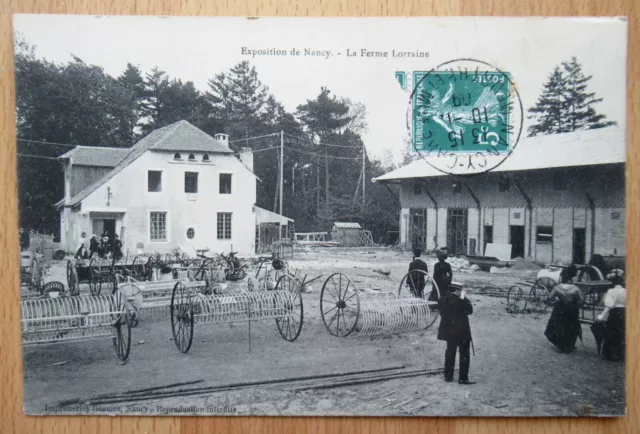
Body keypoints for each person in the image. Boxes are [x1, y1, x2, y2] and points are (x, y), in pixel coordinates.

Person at [438, 284, 475, 384]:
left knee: (450, 352)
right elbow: (470, 310)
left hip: (449, 332)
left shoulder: (442, 300)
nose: (462, 292)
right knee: (464, 354)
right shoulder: (461, 300)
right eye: (461, 290)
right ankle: (463, 378)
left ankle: (448, 376)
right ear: (456, 291)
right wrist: (463, 298)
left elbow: (442, 312)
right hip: (462, 331)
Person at [544, 265, 584, 353]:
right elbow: (581, 299)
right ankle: (569, 345)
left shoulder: (557, 288)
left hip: (560, 308)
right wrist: (575, 304)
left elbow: (550, 298)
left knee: (558, 326)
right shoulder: (575, 288)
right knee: (571, 327)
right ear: (570, 279)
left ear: (562, 278)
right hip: (572, 309)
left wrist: (557, 301)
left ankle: (560, 344)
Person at [591, 269, 626, 361]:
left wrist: (602, 315)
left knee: (612, 332)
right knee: (622, 332)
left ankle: (611, 354)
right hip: (624, 312)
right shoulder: (626, 291)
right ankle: (621, 353)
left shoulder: (611, 291)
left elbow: (609, 306)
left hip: (615, 313)